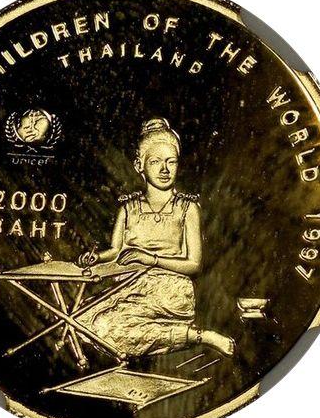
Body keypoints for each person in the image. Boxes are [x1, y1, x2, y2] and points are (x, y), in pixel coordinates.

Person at [77, 118, 234, 357]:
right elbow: (116, 252)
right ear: (139, 165)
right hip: (131, 286)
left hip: (170, 289)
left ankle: (199, 336)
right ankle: (166, 337)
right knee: (81, 320)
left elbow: (194, 264)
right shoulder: (128, 208)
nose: (164, 169)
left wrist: (151, 260)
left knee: (104, 326)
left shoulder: (187, 208)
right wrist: (96, 258)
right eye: (155, 162)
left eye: (171, 162)